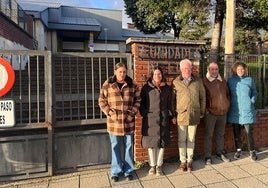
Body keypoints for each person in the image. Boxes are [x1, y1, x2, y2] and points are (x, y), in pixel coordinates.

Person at [98, 62, 141, 182]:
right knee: (115, 146)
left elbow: (138, 100)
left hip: (128, 122)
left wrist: (132, 113)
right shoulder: (108, 84)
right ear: (115, 72)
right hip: (114, 122)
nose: (122, 74)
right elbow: (101, 100)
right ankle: (115, 171)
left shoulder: (132, 84)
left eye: (124, 72)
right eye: (120, 72)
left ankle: (128, 170)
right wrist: (109, 112)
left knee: (128, 147)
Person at [171, 59, 206, 172]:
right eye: (184, 68)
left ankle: (189, 161)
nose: (187, 70)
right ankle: (182, 161)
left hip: (194, 114)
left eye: (188, 68)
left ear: (191, 69)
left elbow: (203, 97)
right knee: (181, 139)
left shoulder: (198, 81)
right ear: (181, 69)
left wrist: (202, 111)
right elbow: (172, 100)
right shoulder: (175, 82)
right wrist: (173, 115)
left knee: (191, 139)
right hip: (181, 115)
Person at [139, 66, 175, 176]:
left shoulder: (167, 88)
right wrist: (144, 113)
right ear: (152, 75)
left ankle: (159, 166)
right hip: (150, 120)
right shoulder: (146, 88)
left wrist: (171, 115)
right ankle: (152, 166)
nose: (157, 76)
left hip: (163, 119)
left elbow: (170, 104)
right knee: (151, 143)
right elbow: (142, 103)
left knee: (161, 144)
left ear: (162, 75)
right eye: (155, 74)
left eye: (159, 74)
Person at [227, 62, 258, 161]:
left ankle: (252, 151)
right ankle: (238, 150)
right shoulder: (230, 81)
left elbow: (254, 92)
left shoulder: (249, 80)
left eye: (242, 69)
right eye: (239, 69)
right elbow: (226, 93)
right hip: (235, 110)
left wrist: (251, 100)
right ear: (235, 70)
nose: (241, 71)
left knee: (249, 133)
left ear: (245, 70)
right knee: (236, 133)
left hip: (247, 110)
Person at [203, 62, 230, 165]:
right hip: (210, 113)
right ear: (208, 70)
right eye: (212, 69)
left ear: (218, 70)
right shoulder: (205, 81)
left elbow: (227, 94)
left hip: (223, 113)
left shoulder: (223, 81)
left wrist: (227, 105)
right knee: (208, 135)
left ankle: (220, 152)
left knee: (220, 134)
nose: (214, 71)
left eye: (216, 69)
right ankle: (208, 156)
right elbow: (203, 97)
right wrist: (206, 110)